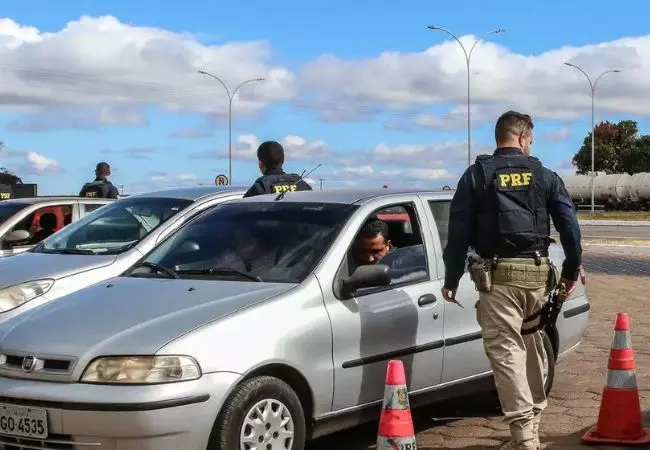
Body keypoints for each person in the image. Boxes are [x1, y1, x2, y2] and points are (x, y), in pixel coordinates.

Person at [441, 110, 583, 450]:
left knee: (506, 352)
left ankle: (524, 438)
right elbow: (570, 230)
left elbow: (457, 234)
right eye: (531, 140)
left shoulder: (476, 176)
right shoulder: (545, 176)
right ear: (521, 137)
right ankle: (533, 418)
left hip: (498, 278)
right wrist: (570, 272)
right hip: (537, 277)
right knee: (533, 342)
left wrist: (451, 278)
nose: (530, 145)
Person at [243, 141, 313, 198]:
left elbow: (243, 209)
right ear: (283, 160)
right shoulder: (302, 185)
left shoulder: (261, 187)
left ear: (261, 164)